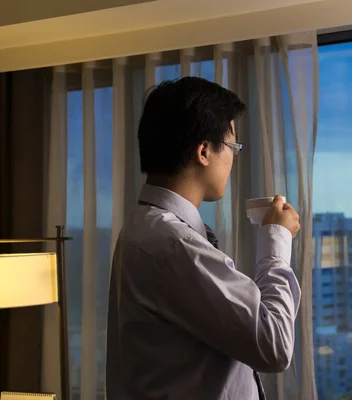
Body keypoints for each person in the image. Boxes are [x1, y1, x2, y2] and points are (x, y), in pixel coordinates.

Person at [106, 77, 301, 400]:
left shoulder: (145, 229)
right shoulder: (173, 245)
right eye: (233, 147)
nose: (234, 159)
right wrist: (276, 242)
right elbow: (274, 345)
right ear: (204, 151)